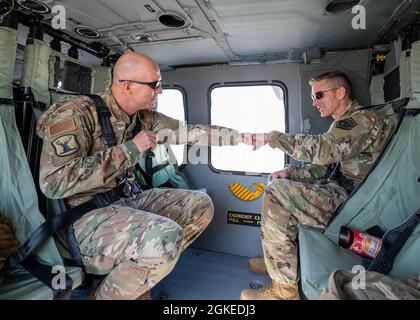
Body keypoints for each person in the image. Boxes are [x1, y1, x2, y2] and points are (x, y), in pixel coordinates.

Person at [37, 51, 246, 300]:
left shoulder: (142, 118)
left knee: (200, 205)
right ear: (127, 86)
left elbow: (190, 132)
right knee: (167, 237)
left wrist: (242, 137)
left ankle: (133, 279)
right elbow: (55, 182)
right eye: (154, 85)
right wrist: (131, 149)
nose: (160, 91)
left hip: (124, 203)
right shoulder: (77, 114)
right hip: (83, 218)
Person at [240, 71, 394, 300]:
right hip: (343, 193)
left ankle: (284, 291)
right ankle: (279, 261)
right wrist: (289, 172)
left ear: (340, 93)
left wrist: (272, 138)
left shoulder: (361, 121)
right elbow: (326, 168)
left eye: (319, 95)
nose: (314, 102)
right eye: (313, 96)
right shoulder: (343, 125)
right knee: (279, 183)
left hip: (357, 204)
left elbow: (323, 150)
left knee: (277, 193)